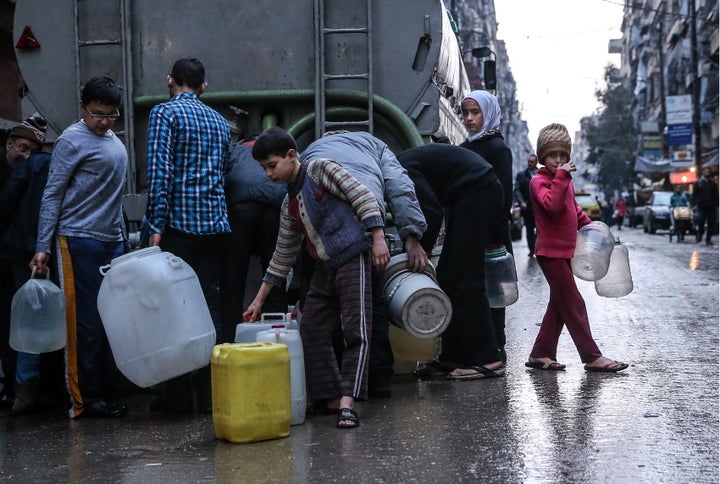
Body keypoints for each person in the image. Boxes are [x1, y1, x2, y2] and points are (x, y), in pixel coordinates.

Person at [243, 127, 390, 429]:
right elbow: (282, 255)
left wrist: (378, 236)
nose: (269, 174)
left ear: (291, 156)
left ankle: (349, 402)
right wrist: (258, 300)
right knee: (310, 329)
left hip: (352, 255)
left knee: (356, 329)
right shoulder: (289, 205)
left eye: (272, 165)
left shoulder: (320, 169)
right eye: (264, 169)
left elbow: (361, 194)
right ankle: (332, 397)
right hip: (324, 267)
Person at [298, 130, 428, 398]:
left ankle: (328, 388)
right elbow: (400, 187)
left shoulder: (313, 148)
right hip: (365, 224)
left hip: (320, 231)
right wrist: (411, 236)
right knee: (372, 306)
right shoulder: (376, 144)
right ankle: (378, 379)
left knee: (321, 308)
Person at [30, 76, 130, 418]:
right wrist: (43, 245)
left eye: (110, 114)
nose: (103, 121)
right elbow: (52, 193)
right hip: (76, 240)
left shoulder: (114, 140)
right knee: (83, 323)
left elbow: (114, 198)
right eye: (97, 113)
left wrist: (122, 238)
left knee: (107, 322)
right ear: (82, 107)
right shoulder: (72, 140)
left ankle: (105, 391)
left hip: (110, 242)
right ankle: (83, 400)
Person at [144, 57, 232, 413]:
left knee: (173, 312)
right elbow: (224, 171)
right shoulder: (221, 123)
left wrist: (154, 226)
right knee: (207, 307)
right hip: (215, 227)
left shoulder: (165, 114)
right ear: (203, 87)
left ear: (170, 81)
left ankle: (178, 398)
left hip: (179, 228)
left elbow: (160, 173)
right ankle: (210, 391)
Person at [397, 144, 507, 380]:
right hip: (468, 195)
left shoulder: (400, 170)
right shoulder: (398, 166)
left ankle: (489, 356)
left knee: (466, 278)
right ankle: (452, 357)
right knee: (447, 278)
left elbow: (432, 211)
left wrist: (419, 248)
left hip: (479, 190)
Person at [525, 123, 628, 373]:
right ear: (542, 157)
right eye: (552, 155)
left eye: (562, 155)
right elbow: (552, 206)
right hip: (549, 254)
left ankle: (541, 353)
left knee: (559, 305)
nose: (558, 160)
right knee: (573, 303)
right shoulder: (539, 182)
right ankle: (592, 356)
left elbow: (574, 210)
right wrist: (561, 176)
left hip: (565, 253)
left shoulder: (564, 180)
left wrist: (596, 229)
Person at [0, 114, 52, 410]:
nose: (26, 155)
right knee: (32, 319)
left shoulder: (27, 169)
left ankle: (20, 388)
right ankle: (25, 387)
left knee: (17, 319)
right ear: (9, 142)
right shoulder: (43, 166)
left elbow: (6, 204)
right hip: (35, 251)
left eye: (31, 150)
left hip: (16, 252)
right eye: (22, 148)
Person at [459, 90, 513, 363]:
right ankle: (476, 348)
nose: (469, 119)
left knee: (495, 293)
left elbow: (504, 197)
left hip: (492, 236)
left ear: (488, 113)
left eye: (475, 113)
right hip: (469, 233)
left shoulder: (498, 149)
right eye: (465, 113)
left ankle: (497, 349)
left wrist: (495, 236)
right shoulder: (465, 148)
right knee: (473, 292)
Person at [221, 141, 288, 344]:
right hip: (275, 208)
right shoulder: (280, 151)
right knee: (275, 274)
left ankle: (228, 341)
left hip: (239, 208)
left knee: (232, 279)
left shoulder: (235, 151)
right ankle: (278, 338)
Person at [514, 153, 538, 256]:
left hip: (539, 208)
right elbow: (517, 189)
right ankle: (532, 249)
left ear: (536, 162)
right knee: (529, 229)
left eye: (532, 162)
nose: (529, 164)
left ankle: (538, 248)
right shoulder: (521, 175)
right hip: (527, 208)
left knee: (540, 229)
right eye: (528, 161)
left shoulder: (541, 174)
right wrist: (521, 201)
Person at [692, 167, 719, 245]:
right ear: (703, 172)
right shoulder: (698, 183)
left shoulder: (712, 183)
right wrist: (694, 204)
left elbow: (716, 195)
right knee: (701, 220)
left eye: (708, 171)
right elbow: (694, 194)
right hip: (701, 206)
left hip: (711, 206)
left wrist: (717, 205)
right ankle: (700, 234)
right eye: (705, 171)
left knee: (712, 222)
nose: (707, 173)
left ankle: (708, 238)